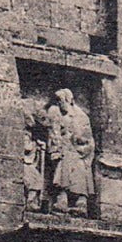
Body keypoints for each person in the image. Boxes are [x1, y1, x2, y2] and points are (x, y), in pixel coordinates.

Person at [46, 88, 95, 216]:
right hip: (67, 150)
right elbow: (55, 132)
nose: (59, 104)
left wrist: (77, 143)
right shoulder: (61, 115)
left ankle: (81, 202)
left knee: (78, 170)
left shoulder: (81, 116)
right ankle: (62, 199)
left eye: (61, 101)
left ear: (69, 100)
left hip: (80, 152)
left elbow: (86, 138)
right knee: (63, 166)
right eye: (57, 101)